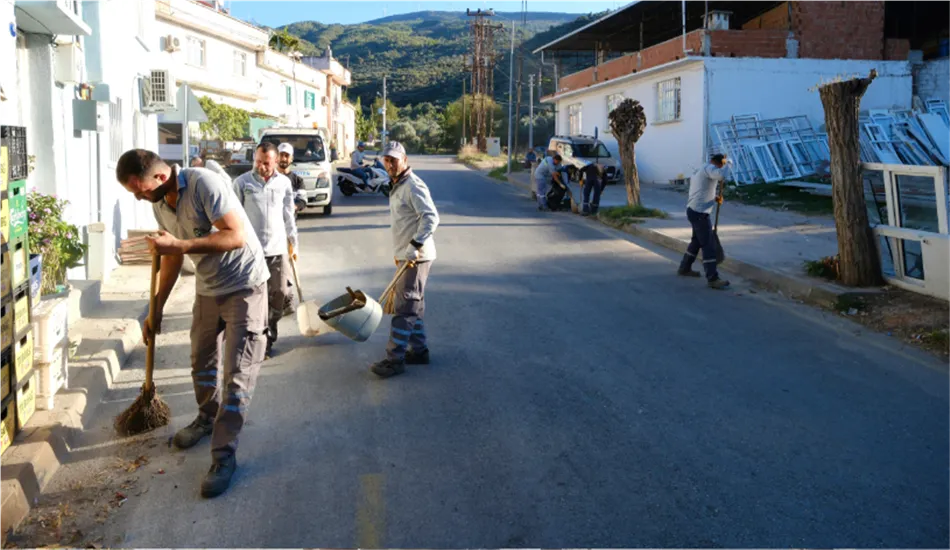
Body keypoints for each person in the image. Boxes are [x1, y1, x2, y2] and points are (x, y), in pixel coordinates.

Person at [115, 149, 269, 499]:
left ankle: (224, 454)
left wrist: (181, 244)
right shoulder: (160, 203)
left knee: (237, 374)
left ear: (159, 176)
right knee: (201, 360)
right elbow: (172, 257)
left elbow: (235, 236)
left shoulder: (204, 184)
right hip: (208, 289)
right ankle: (205, 416)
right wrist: (156, 308)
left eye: (139, 189)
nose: (138, 197)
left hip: (244, 286)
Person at [371, 141, 440, 378]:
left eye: (394, 159)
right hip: (406, 255)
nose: (389, 164)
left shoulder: (412, 184)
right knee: (414, 307)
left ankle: (394, 359)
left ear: (405, 160)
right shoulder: (397, 185)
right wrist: (401, 252)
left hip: (416, 257)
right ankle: (419, 351)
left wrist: (414, 246)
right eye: (386, 160)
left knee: (405, 308)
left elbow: (431, 217)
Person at [233, 142, 299, 358]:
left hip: (278, 250)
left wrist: (293, 243)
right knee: (253, 298)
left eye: (266, 163)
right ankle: (260, 342)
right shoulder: (242, 183)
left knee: (279, 293)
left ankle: (271, 329)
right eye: (258, 162)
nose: (261, 167)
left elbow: (288, 214)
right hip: (252, 253)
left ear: (276, 161)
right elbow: (233, 217)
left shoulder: (284, 183)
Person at [678, 154, 731, 289]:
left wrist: (714, 198)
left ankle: (685, 267)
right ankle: (712, 278)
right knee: (708, 245)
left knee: (696, 242)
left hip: (694, 210)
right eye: (721, 165)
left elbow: (702, 190)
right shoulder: (710, 169)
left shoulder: (701, 170)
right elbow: (721, 175)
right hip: (700, 213)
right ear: (719, 164)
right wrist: (728, 163)